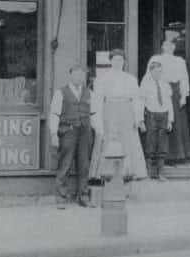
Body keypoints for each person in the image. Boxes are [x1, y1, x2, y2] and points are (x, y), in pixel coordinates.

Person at [88, 49, 148, 182]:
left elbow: (137, 99)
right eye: (115, 60)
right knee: (109, 138)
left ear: (124, 62)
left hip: (127, 111)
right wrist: (97, 122)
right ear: (110, 61)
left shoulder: (130, 79)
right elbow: (97, 100)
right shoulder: (102, 79)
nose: (118, 63)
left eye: (120, 60)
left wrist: (138, 118)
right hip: (109, 110)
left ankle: (129, 172)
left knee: (128, 139)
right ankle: (105, 173)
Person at [48, 65, 96, 207]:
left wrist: (99, 131)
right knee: (65, 164)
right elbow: (54, 114)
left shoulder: (89, 93)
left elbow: (94, 114)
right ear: (70, 76)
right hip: (68, 131)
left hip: (85, 132)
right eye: (76, 75)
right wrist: (53, 134)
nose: (79, 78)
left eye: (81, 75)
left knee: (84, 165)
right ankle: (61, 198)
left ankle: (83, 196)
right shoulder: (61, 92)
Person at [146, 39, 190, 163]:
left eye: (172, 45)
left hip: (175, 93)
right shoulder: (156, 59)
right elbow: (148, 76)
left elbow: (184, 79)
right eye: (166, 45)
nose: (169, 47)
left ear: (175, 47)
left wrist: (183, 96)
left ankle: (176, 156)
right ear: (162, 46)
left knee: (175, 123)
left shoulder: (180, 61)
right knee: (160, 124)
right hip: (159, 91)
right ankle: (158, 157)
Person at [139, 57, 174, 180]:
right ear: (150, 72)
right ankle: (149, 171)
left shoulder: (165, 85)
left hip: (163, 115)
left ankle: (160, 172)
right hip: (151, 115)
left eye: (160, 72)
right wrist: (140, 120)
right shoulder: (145, 85)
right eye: (155, 72)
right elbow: (141, 103)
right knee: (150, 142)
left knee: (162, 143)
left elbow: (169, 103)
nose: (157, 74)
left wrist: (170, 120)